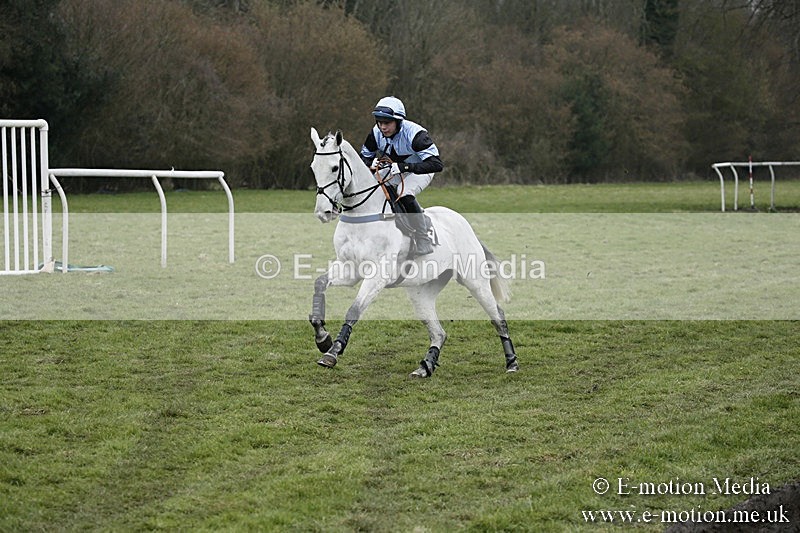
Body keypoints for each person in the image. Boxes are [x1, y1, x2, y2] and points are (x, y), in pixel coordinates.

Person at [359, 96, 443, 255]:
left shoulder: (416, 135)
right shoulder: (375, 133)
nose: (382, 127)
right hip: (395, 169)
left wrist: (404, 166)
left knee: (404, 193)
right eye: (380, 122)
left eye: (387, 123)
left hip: (421, 170)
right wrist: (370, 163)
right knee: (375, 186)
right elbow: (364, 157)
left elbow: (437, 165)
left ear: (398, 121)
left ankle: (422, 235)